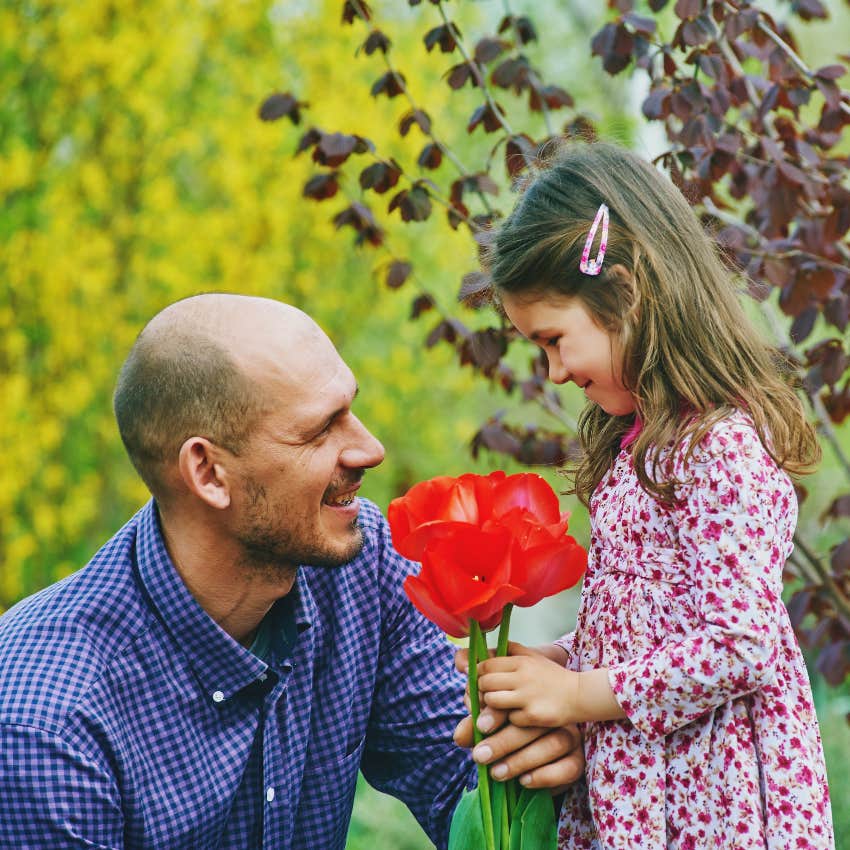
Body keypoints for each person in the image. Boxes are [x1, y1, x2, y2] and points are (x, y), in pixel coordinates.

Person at [0, 294, 583, 850]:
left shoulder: (357, 563)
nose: (370, 449)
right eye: (319, 429)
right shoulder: (49, 723)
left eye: (351, 410)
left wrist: (533, 763)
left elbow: (462, 783)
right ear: (207, 472)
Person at [471, 142, 835, 849]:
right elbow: (656, 621)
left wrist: (580, 696)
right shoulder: (642, 448)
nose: (552, 371)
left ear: (627, 292)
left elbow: (740, 646)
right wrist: (562, 659)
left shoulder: (720, 449)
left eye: (553, 340)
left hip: (711, 798)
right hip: (648, 784)